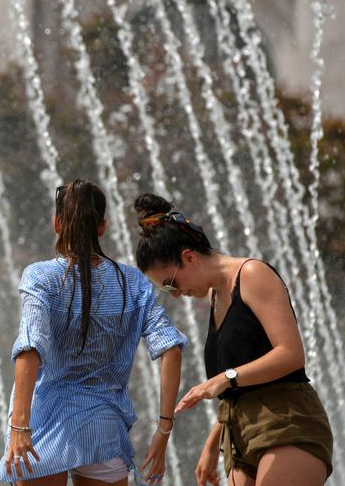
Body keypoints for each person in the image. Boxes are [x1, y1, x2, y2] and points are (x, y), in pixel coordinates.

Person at [133, 193, 334, 486]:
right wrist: (212, 443)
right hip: (239, 438)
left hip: (286, 422)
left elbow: (291, 354)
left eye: (170, 284)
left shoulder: (252, 274)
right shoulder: (215, 296)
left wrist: (225, 378)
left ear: (188, 257)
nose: (175, 294)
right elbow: (239, 387)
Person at [0, 180, 186, 486]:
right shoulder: (132, 282)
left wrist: (19, 426)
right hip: (102, 428)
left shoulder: (40, 277)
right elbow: (171, 348)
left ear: (57, 223)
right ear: (102, 227)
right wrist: (163, 429)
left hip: (44, 426)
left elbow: (30, 347)